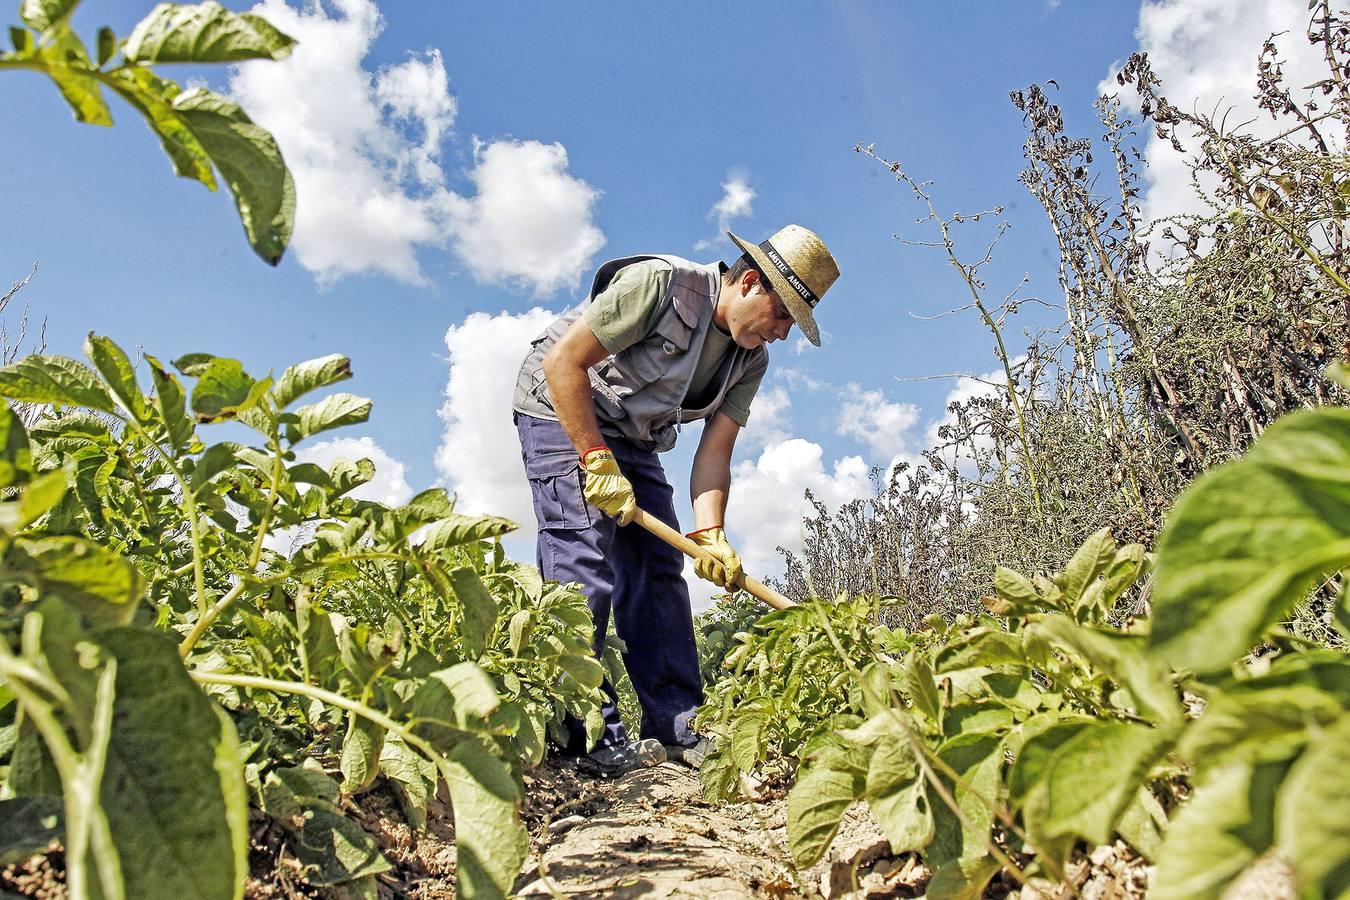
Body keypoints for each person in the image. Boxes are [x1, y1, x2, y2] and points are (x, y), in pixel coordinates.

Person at [512, 224, 840, 776]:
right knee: (583, 564)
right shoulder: (661, 286)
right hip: (563, 407)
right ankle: (583, 733)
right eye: (782, 317)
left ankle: (676, 723)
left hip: (635, 436)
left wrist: (710, 533)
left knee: (660, 567)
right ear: (752, 283)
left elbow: (715, 452)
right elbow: (563, 363)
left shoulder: (749, 360)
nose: (782, 334)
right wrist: (593, 458)